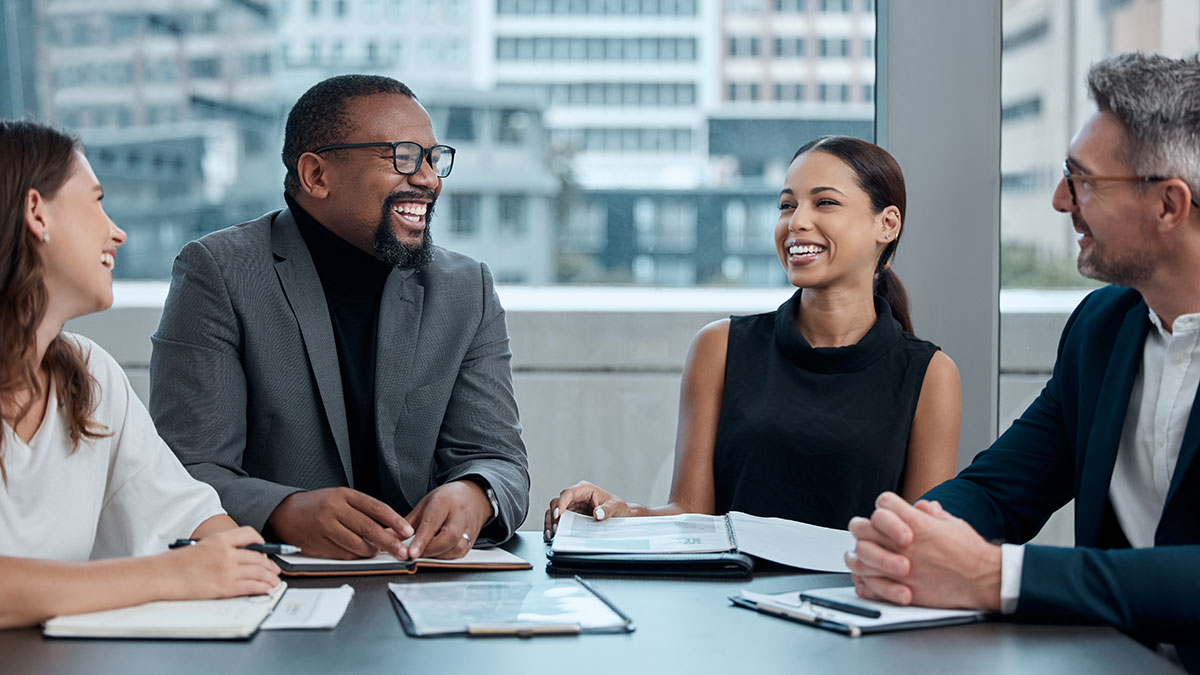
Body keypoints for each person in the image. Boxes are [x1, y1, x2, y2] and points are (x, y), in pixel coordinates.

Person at [846, 52, 1200, 671]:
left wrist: (995, 574)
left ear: (1169, 205)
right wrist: (913, 537)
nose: (1063, 201)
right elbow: (1002, 489)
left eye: (1083, 178)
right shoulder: (1101, 329)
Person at [149, 75, 529, 562]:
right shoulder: (220, 273)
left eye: (434, 160)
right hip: (273, 584)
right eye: (404, 157)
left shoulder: (464, 288)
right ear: (316, 176)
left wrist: (475, 495)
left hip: (425, 583)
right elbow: (186, 468)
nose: (430, 180)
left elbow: (499, 460)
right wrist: (284, 510)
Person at [545, 136, 961, 538]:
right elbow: (690, 513)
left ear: (886, 224)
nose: (796, 222)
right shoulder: (719, 347)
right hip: (732, 602)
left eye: (825, 202)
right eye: (786, 205)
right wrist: (620, 513)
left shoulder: (930, 375)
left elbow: (916, 543)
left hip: (854, 603)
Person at [0, 119, 280, 628]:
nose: (117, 231)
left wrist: (239, 562)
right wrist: (174, 575)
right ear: (37, 212)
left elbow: (187, 515)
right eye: (96, 202)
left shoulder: (88, 375)